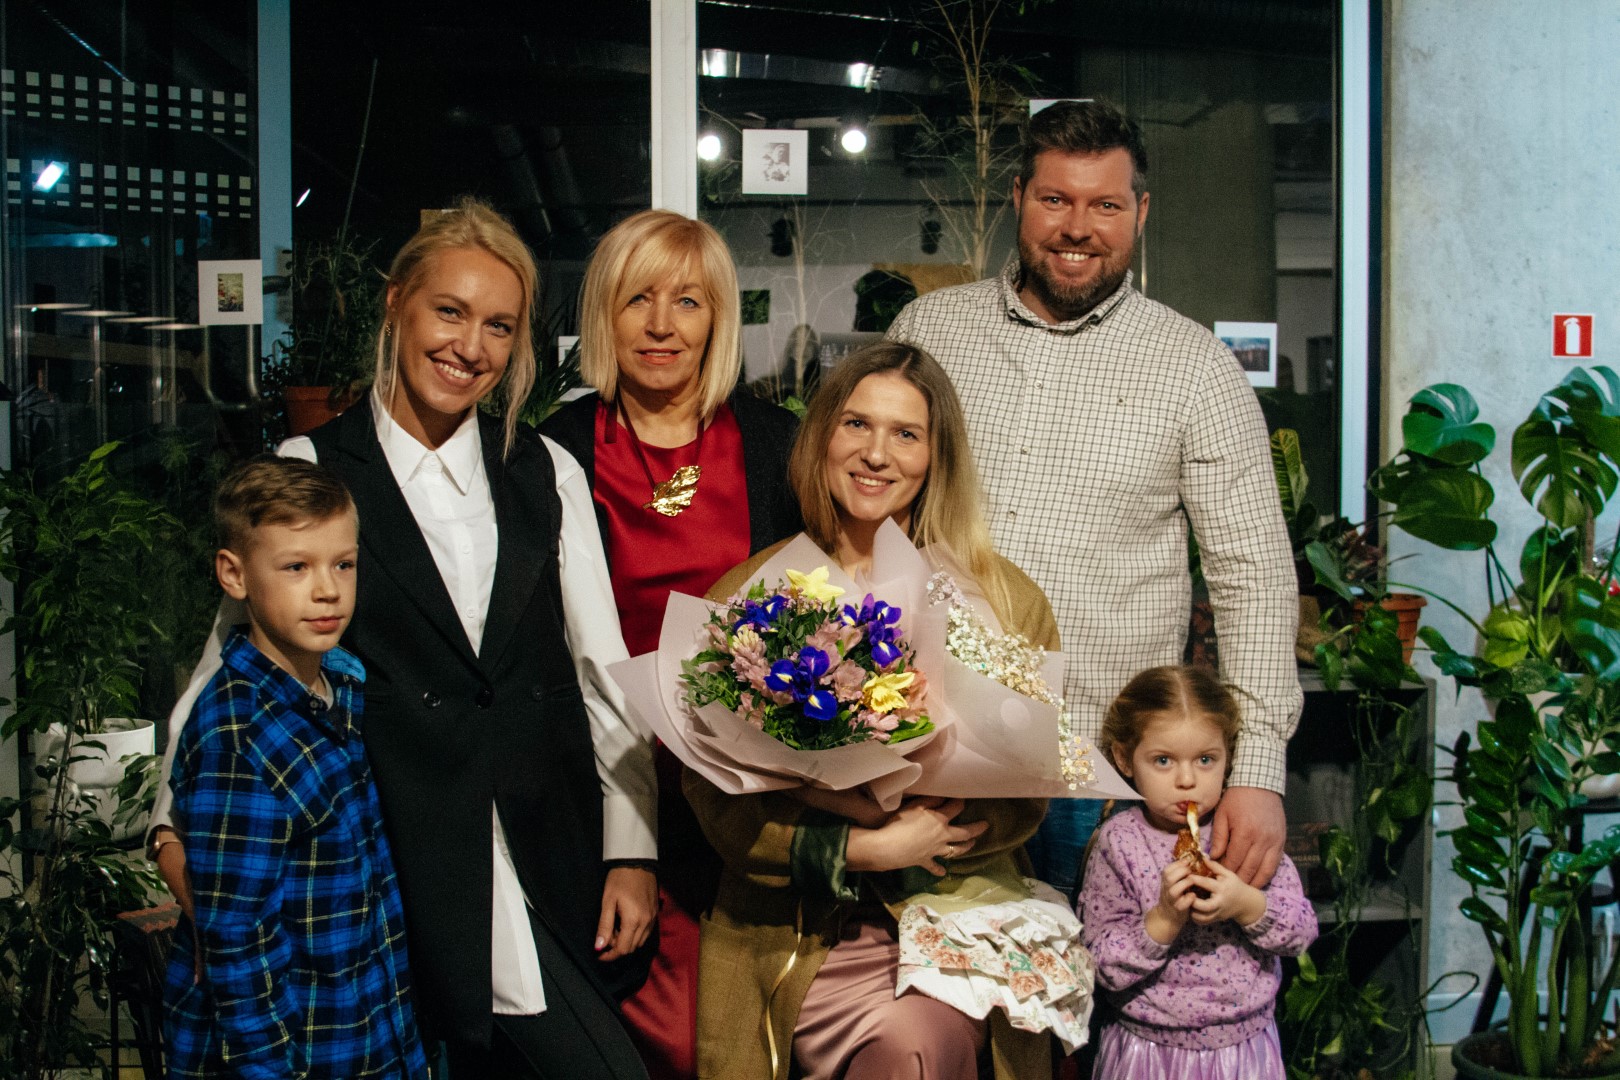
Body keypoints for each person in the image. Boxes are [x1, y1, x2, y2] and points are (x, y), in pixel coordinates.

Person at [151, 198, 657, 1079]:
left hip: (546, 841)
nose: (471, 346)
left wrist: (632, 847)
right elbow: (221, 668)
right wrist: (169, 826)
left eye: (499, 326)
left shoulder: (545, 469)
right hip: (393, 861)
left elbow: (601, 672)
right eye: (449, 311)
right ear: (396, 304)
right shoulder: (313, 465)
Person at [886, 98, 1300, 897]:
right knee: (938, 972)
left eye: (1105, 205)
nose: (1078, 228)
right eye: (1056, 199)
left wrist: (1257, 770)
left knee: (1113, 973)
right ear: (1018, 199)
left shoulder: (1196, 368)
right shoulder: (928, 333)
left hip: (1108, 776)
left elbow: (1253, 577)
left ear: (1140, 212)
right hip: (938, 756)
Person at [687, 342, 1064, 1080]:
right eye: (856, 424)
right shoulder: (752, 593)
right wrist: (858, 847)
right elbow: (714, 801)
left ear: (935, 456)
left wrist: (936, 823)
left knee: (915, 1040)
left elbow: (1033, 788)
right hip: (791, 929)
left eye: (906, 433)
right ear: (822, 435)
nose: (877, 454)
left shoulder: (1004, 598)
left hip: (953, 914)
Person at [541, 208, 801, 1080]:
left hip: (748, 804)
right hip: (605, 796)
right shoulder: (553, 453)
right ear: (604, 317)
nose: (661, 325)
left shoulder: (776, 447)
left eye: (687, 301)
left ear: (717, 319)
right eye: (637, 300)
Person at [163, 457, 428, 1079]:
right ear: (234, 574)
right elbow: (238, 944)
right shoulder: (237, 739)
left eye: (343, 564)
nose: (327, 589)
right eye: (296, 567)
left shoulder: (343, 684)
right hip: (295, 1054)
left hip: (367, 1032)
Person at [1078, 665, 1317, 1079]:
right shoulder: (1119, 842)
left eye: (1206, 760)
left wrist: (1246, 905)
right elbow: (1100, 966)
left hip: (1244, 1051)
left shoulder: (1242, 831)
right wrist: (1163, 921)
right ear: (1124, 758)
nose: (1186, 780)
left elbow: (1301, 932)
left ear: (1229, 757)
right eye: (1163, 760)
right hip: (1147, 1050)